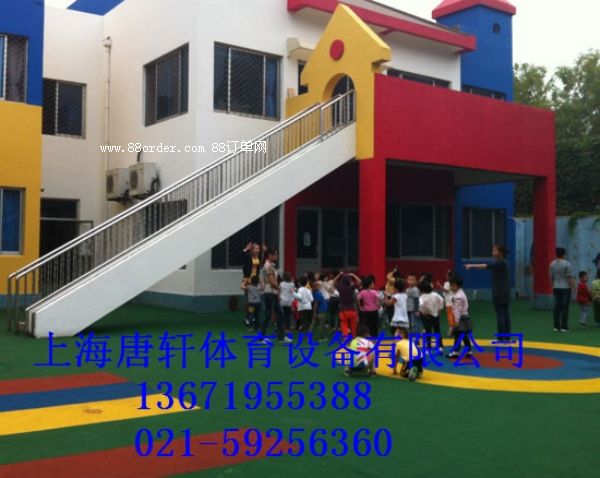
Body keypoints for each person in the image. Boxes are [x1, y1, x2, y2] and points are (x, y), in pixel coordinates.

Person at [465, 245, 511, 342]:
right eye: (493, 250)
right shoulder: (504, 262)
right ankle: (507, 337)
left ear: (501, 253)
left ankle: (501, 338)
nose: (493, 252)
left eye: (495, 251)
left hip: (499, 293)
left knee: (500, 315)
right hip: (505, 292)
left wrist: (471, 266)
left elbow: (484, 266)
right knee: (505, 314)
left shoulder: (499, 263)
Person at [260, 249, 291, 344]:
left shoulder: (271, 266)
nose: (277, 256)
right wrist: (280, 288)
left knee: (280, 313)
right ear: (270, 255)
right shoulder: (268, 266)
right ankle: (262, 337)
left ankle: (281, 336)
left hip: (273, 293)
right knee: (268, 315)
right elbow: (272, 282)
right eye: (275, 254)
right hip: (269, 292)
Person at [447, 276, 473, 359]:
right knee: (464, 335)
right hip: (465, 316)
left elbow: (457, 310)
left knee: (457, 335)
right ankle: (469, 351)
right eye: (450, 285)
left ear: (458, 286)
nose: (451, 287)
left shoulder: (458, 296)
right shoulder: (461, 292)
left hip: (460, 318)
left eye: (453, 286)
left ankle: (455, 352)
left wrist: (456, 321)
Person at [549, 247, 575, 332]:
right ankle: (564, 327)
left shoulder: (552, 263)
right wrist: (573, 286)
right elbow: (569, 277)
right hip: (566, 287)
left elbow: (551, 276)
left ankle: (556, 326)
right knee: (565, 307)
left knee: (557, 307)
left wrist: (553, 285)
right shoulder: (567, 264)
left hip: (556, 286)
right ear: (564, 254)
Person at [418, 280, 445, 353]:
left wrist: (423, 312)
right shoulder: (435, 294)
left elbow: (421, 306)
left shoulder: (421, 297)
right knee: (437, 331)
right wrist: (440, 309)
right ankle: (440, 347)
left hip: (426, 317)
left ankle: (428, 348)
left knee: (428, 331)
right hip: (436, 315)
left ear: (421, 289)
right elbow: (442, 300)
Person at [334, 272, 361, 337]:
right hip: (352, 309)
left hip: (342, 309)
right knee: (353, 325)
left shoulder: (340, 288)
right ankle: (354, 337)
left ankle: (345, 338)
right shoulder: (351, 287)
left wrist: (339, 275)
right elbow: (359, 282)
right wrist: (353, 275)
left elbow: (333, 282)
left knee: (344, 325)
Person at [442, 270, 456, 337]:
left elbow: (446, 290)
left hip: (449, 303)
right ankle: (455, 329)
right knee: (454, 316)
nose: (446, 276)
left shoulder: (447, 283)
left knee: (450, 316)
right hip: (454, 302)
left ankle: (451, 329)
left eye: (447, 275)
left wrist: (439, 286)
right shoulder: (455, 283)